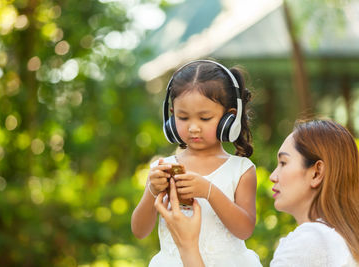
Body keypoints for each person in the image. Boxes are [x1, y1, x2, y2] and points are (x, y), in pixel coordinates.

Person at [155, 119, 359, 267]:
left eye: (283, 163)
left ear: (317, 172)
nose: (273, 176)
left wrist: (187, 246)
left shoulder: (312, 241)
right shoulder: (340, 239)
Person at [131, 60, 262, 266]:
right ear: (171, 116)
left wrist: (209, 191)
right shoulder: (164, 167)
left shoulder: (242, 170)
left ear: (229, 118)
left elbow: (244, 230)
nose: (193, 128)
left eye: (205, 118)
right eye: (183, 118)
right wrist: (152, 190)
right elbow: (139, 231)